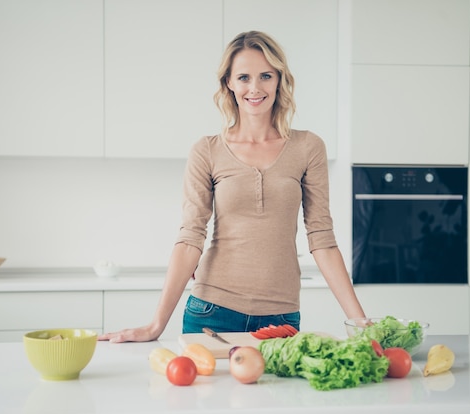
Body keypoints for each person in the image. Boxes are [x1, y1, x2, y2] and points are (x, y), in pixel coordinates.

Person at [99, 30, 367, 343]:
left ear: (279, 80)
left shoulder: (308, 147)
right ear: (229, 82)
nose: (255, 88)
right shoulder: (207, 150)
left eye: (266, 75)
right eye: (243, 77)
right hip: (212, 311)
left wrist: (359, 322)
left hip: (280, 317)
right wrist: (156, 324)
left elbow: (322, 237)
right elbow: (189, 239)